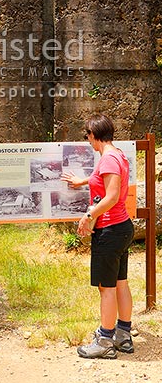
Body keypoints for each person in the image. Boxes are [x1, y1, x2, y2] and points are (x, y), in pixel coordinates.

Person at [61, 113, 134, 359]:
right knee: (121, 283)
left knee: (106, 287)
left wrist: (88, 215)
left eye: (87, 136)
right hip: (122, 227)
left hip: (109, 230)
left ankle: (104, 340)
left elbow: (111, 196)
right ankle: (123, 336)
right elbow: (104, 183)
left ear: (95, 135)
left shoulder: (108, 159)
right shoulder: (117, 155)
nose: (88, 141)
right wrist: (82, 181)